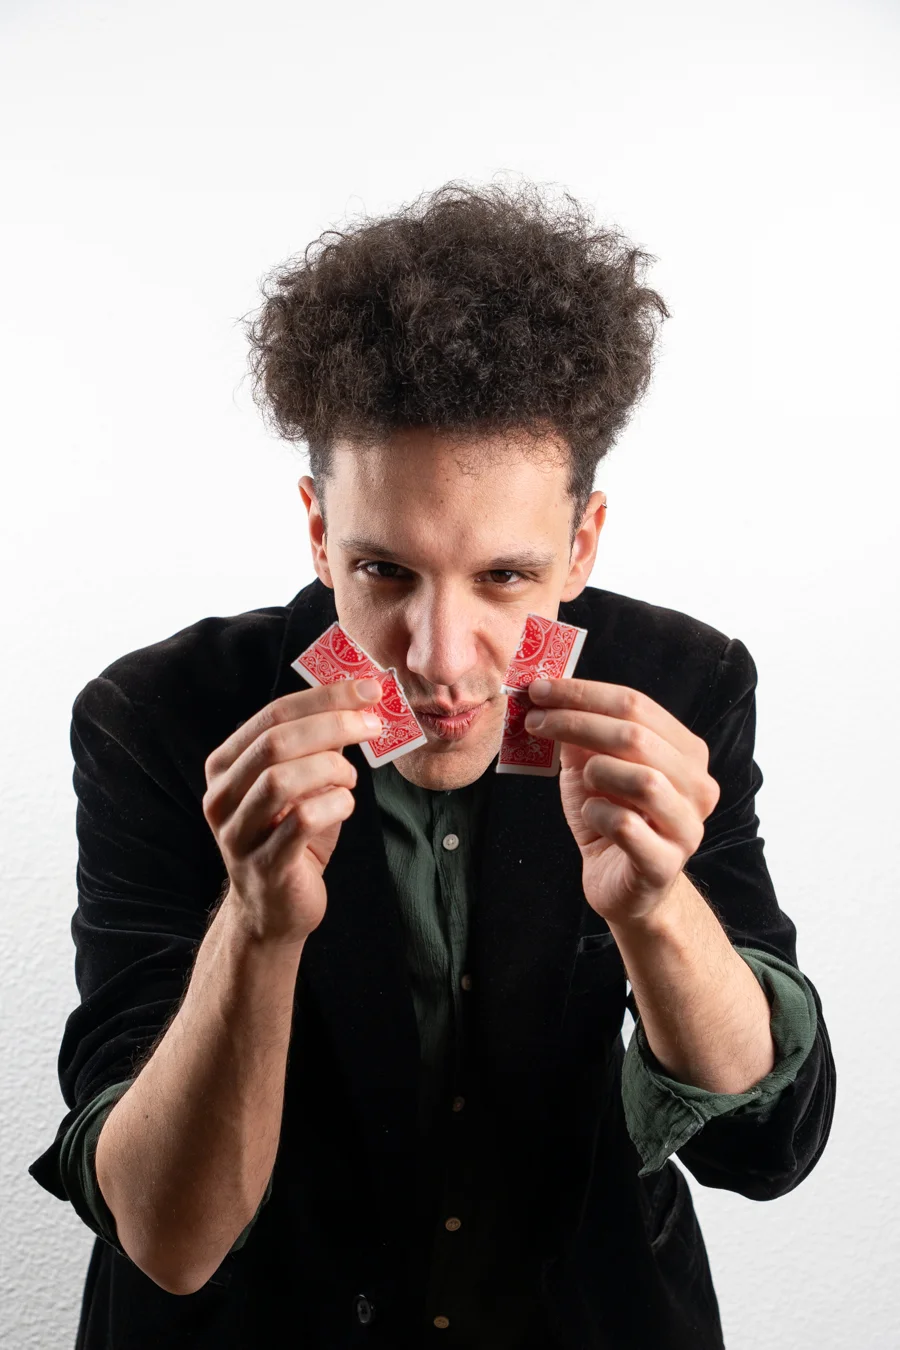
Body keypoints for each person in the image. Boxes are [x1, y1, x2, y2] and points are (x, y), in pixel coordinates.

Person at [29, 180, 835, 1349]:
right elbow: (167, 1237)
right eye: (385, 573)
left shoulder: (680, 682)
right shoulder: (155, 718)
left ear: (581, 544)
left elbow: (766, 1148)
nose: (440, 660)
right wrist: (255, 928)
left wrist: (657, 908)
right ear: (319, 533)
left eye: (505, 577)